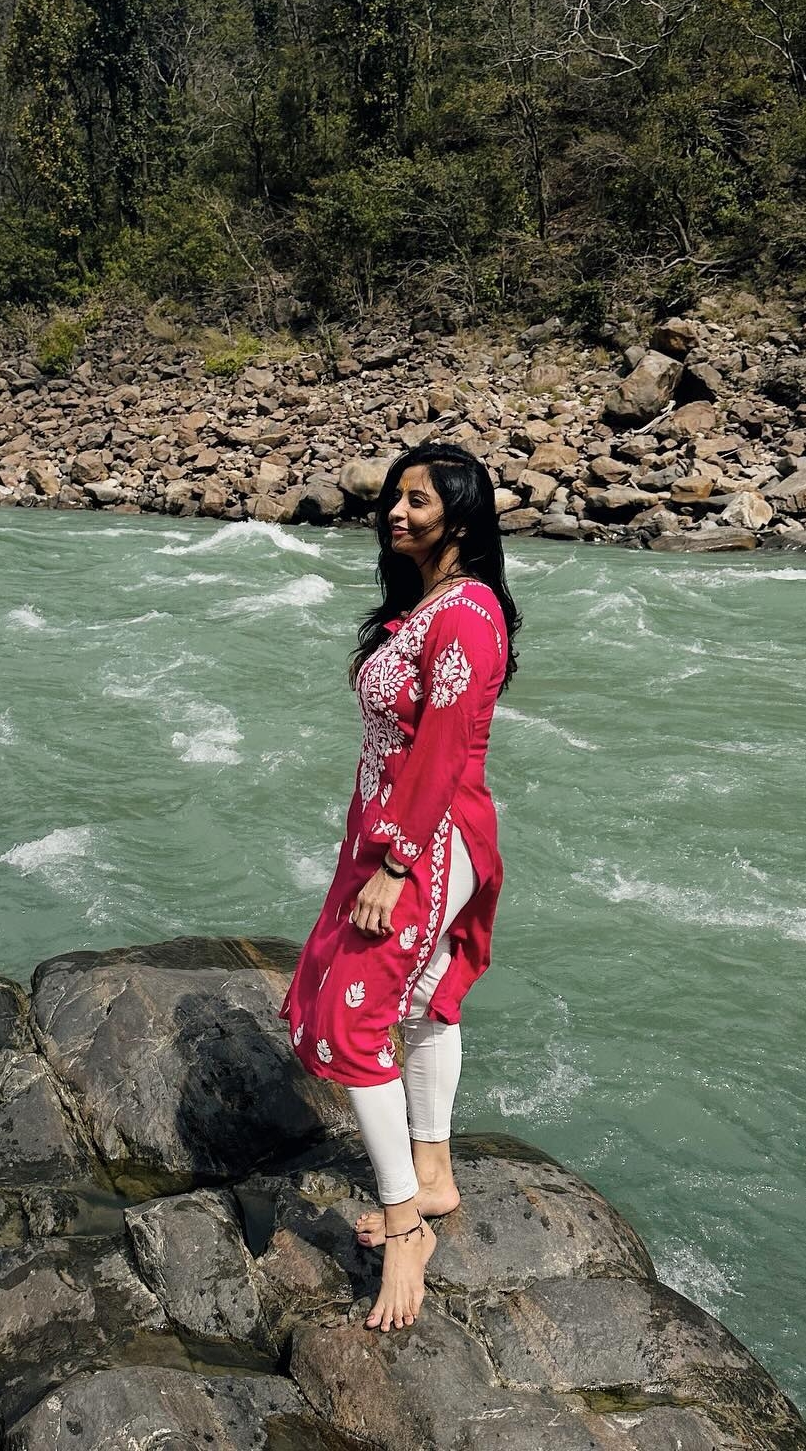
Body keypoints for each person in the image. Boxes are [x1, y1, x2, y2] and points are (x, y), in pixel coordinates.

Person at [280, 444, 520, 1335]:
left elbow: (443, 751)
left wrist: (395, 865)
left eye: (418, 500)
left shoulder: (466, 614)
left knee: (354, 1017)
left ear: (460, 516)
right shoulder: (424, 607)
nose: (396, 511)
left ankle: (407, 1223)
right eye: (394, 496)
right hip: (391, 833)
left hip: (428, 839)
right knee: (418, 1000)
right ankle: (433, 1175)